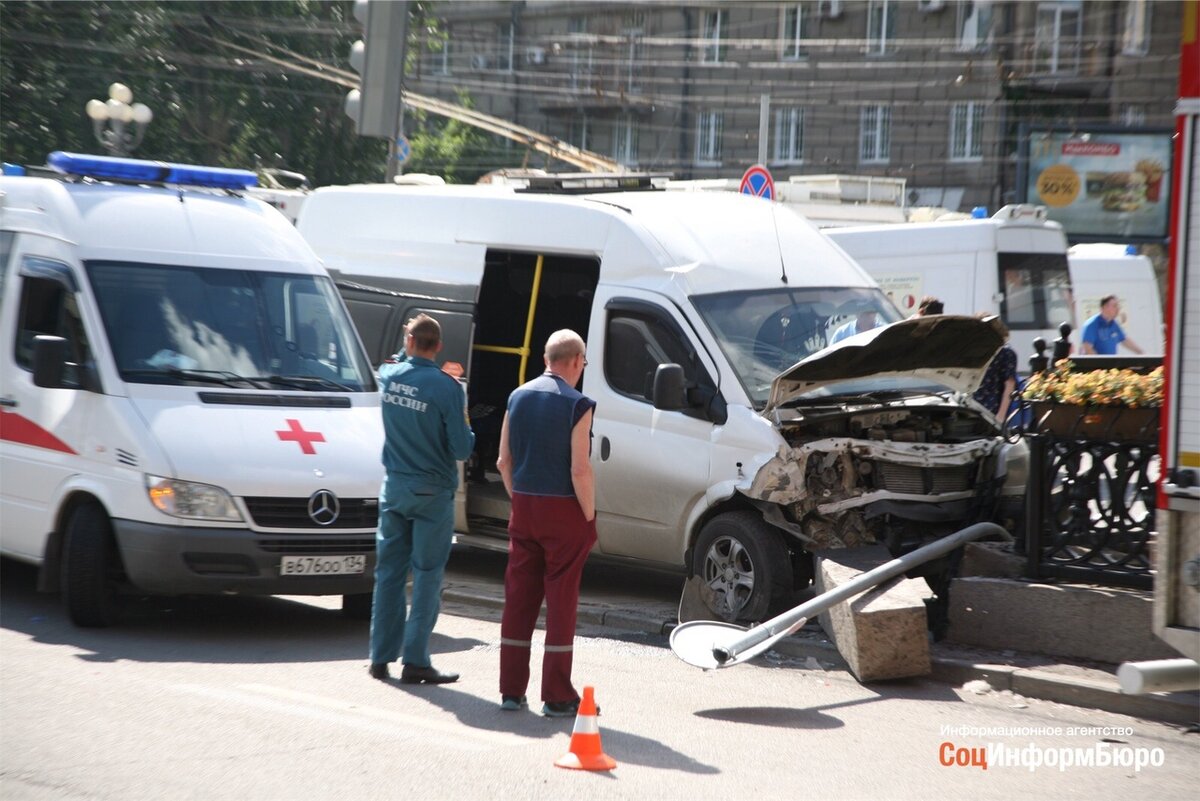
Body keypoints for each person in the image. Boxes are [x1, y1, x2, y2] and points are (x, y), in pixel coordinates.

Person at [368, 314, 475, 684]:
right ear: (439, 347)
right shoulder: (446, 387)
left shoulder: (388, 375)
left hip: (394, 489)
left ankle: (379, 658)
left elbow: (398, 359)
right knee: (427, 576)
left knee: (389, 575)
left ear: (409, 340)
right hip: (431, 493)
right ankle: (415, 661)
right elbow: (461, 448)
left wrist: (406, 342)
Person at [495, 330, 597, 717]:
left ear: (544, 359)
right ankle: (556, 694)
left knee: (519, 599)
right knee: (561, 602)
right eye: (583, 363)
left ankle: (510, 691)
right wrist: (588, 516)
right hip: (564, 512)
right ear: (575, 361)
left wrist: (518, 498)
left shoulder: (516, 397)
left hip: (524, 506)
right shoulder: (578, 404)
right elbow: (580, 469)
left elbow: (504, 462)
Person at [973, 320, 1018, 423]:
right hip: (973, 405)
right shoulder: (977, 350)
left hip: (991, 409)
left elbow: (1010, 384)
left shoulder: (1006, 352)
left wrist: (1001, 415)